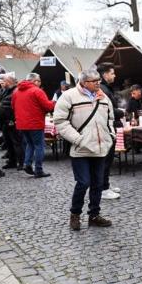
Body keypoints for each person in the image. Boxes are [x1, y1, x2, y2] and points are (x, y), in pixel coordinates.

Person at [53, 69, 115, 231]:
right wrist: (78, 139)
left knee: (98, 183)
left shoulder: (103, 97)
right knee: (83, 182)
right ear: (84, 82)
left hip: (100, 148)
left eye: (98, 81)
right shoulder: (69, 96)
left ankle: (94, 215)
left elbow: (110, 118)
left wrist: (111, 136)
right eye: (94, 81)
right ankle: (75, 214)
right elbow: (60, 122)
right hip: (80, 149)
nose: (98, 83)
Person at [13, 73, 55, 178]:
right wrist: (54, 102)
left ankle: (27, 164)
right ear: (35, 81)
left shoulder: (16, 91)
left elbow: (13, 106)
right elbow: (48, 106)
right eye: (39, 81)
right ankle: (38, 169)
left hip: (22, 124)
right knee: (39, 146)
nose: (40, 83)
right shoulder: (37, 91)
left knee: (29, 144)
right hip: (35, 123)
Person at [97, 62, 124, 200]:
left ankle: (105, 184)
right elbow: (106, 110)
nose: (114, 75)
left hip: (109, 126)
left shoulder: (105, 88)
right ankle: (103, 189)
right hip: (107, 128)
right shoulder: (103, 89)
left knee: (107, 159)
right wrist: (120, 113)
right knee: (106, 159)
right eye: (112, 73)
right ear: (105, 74)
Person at [0, 73, 24, 170]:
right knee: (9, 143)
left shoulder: (15, 91)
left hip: (12, 122)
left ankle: (21, 163)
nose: (2, 83)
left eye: (4, 81)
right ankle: (12, 161)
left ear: (8, 82)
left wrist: (13, 119)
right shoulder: (6, 91)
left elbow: (16, 107)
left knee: (17, 143)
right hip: (6, 121)